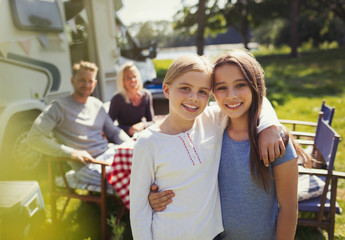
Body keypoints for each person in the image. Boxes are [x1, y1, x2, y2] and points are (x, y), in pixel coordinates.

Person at [129, 54, 285, 240]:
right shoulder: (148, 143)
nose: (194, 98)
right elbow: (139, 210)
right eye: (185, 88)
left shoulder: (212, 120)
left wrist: (269, 126)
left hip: (211, 235)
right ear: (166, 89)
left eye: (203, 91)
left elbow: (259, 101)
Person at [27, 61, 130, 186]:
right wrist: (71, 153)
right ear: (72, 81)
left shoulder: (97, 104)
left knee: (144, 166)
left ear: (95, 83)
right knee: (133, 178)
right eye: (82, 80)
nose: (86, 85)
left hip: (109, 154)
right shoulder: (59, 106)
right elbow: (33, 138)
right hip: (88, 166)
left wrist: (131, 144)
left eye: (90, 81)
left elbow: (114, 131)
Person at [108, 62, 154, 137]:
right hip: (123, 137)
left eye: (134, 76)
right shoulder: (117, 99)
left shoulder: (146, 95)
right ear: (123, 81)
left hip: (142, 135)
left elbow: (152, 122)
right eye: (128, 78)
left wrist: (142, 125)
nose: (132, 80)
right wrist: (128, 129)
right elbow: (109, 126)